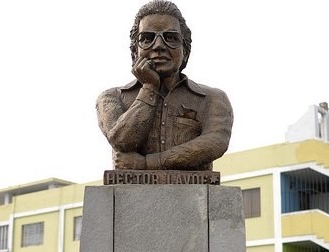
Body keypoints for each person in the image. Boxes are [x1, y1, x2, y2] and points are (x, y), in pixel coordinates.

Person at [96, 0, 233, 171]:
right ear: (134, 51)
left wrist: (148, 163)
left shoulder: (213, 99)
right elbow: (122, 141)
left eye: (170, 38)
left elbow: (215, 142)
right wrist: (149, 88)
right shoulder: (111, 98)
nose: (159, 46)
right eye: (147, 38)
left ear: (185, 51)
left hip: (196, 194)